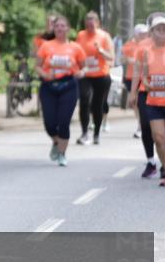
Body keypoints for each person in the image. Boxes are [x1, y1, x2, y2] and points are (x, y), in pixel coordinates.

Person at [36, 15, 86, 167]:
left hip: (69, 85)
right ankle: (57, 142)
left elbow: (84, 67)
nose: (59, 28)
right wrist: (45, 74)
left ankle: (62, 154)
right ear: (53, 28)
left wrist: (81, 73)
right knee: (50, 124)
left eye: (63, 26)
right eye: (57, 26)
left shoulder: (76, 47)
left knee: (64, 122)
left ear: (68, 29)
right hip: (49, 86)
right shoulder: (46, 46)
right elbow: (37, 66)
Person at [130, 13, 165, 184]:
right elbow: (141, 73)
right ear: (152, 31)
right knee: (159, 137)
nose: (161, 32)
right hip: (153, 100)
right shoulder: (144, 49)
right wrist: (141, 86)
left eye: (164, 29)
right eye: (158, 29)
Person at [75, 11, 114, 145]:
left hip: (101, 75)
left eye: (93, 22)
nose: (90, 25)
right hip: (86, 74)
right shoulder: (81, 35)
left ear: (97, 23)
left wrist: (101, 51)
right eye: (88, 22)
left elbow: (111, 57)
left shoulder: (104, 36)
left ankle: (96, 133)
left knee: (97, 105)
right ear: (85, 23)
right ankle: (85, 133)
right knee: (84, 101)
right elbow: (76, 53)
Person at [122, 24, 150, 141]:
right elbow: (123, 59)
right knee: (134, 103)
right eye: (140, 33)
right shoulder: (129, 45)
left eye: (145, 33)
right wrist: (129, 60)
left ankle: (141, 125)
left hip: (144, 78)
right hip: (130, 76)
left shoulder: (149, 45)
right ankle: (140, 122)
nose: (143, 35)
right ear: (136, 34)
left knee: (142, 103)